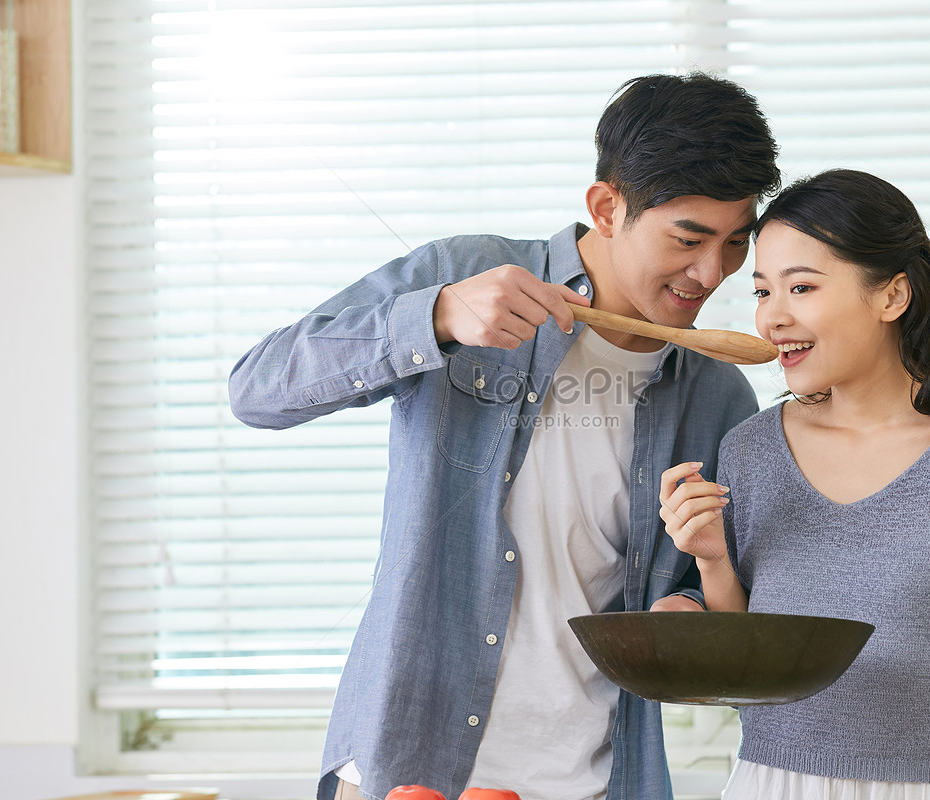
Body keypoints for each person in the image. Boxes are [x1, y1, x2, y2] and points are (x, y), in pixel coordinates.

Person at [229, 72, 780, 800]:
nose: (713, 273)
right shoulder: (466, 277)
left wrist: (689, 613)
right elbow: (257, 390)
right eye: (689, 238)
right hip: (410, 769)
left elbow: (697, 591)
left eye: (736, 243)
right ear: (606, 208)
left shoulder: (718, 393)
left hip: (591, 779)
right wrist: (432, 319)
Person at [659, 169, 930, 800]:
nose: (773, 317)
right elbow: (748, 660)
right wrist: (713, 563)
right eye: (761, 291)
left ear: (892, 297)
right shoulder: (750, 448)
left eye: (801, 287)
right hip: (772, 783)